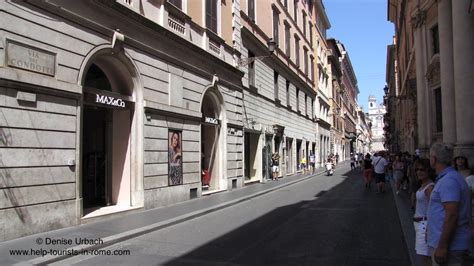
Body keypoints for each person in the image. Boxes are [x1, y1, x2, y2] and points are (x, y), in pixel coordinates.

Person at [427, 143, 471, 266]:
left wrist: (442, 246)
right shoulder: (448, 178)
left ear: (434, 159)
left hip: (450, 246)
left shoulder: (449, 181)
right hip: (446, 243)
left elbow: (452, 214)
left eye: (430, 156)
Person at [412, 158, 435, 266]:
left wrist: (428, 230)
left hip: (424, 225)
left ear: (428, 171)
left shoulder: (430, 187)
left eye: (422, 170)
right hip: (420, 224)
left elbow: (434, 210)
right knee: (424, 256)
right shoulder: (423, 185)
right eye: (417, 170)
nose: (419, 172)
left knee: (427, 258)